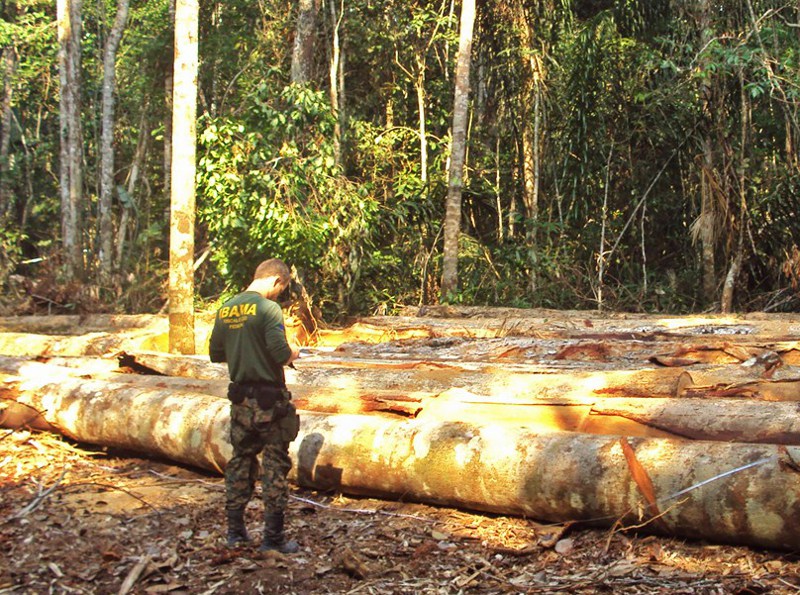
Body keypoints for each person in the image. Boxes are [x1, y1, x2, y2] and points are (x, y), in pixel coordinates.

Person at [209, 258, 301, 553]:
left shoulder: (226, 308)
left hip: (240, 400)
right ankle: (272, 539)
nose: (279, 294)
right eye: (282, 289)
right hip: (269, 402)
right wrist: (293, 352)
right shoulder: (268, 308)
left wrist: (244, 354)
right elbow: (278, 352)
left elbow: (215, 353)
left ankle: (235, 533)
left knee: (241, 461)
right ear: (276, 281)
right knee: (274, 465)